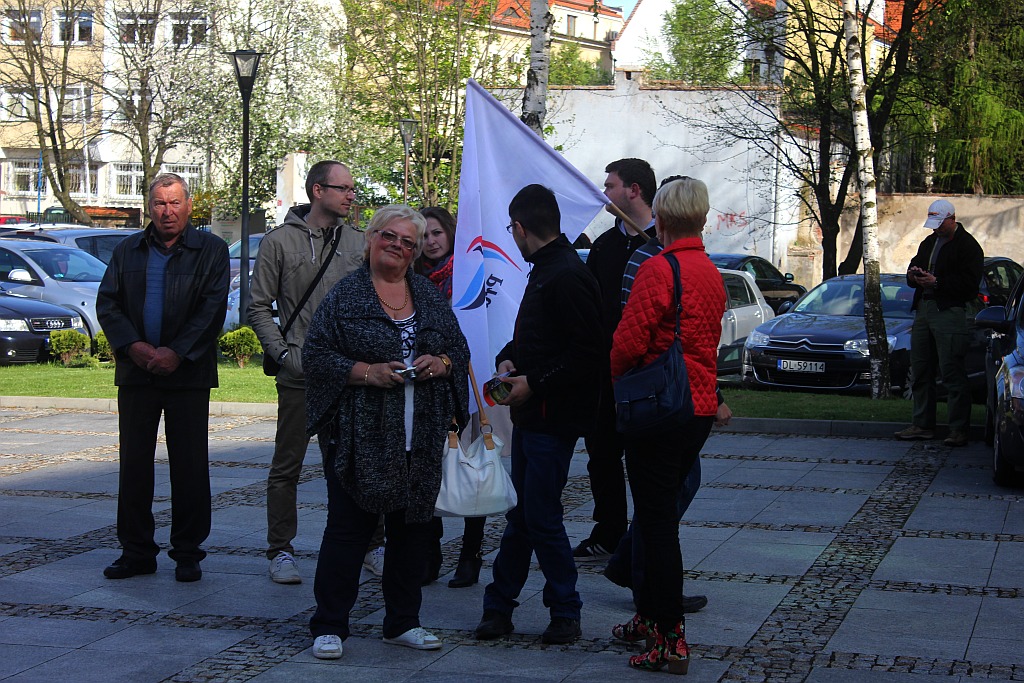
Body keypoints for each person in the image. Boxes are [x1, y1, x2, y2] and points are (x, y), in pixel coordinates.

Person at [303, 204, 470, 660]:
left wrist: (442, 363)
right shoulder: (345, 295)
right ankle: (330, 624)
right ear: (372, 238)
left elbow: (458, 348)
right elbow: (315, 356)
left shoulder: (429, 296)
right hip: (361, 435)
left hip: (423, 432)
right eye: (389, 236)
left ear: (415, 252)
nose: (397, 246)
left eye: (407, 242)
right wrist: (365, 371)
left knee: (413, 532)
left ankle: (403, 622)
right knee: (348, 531)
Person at [474, 184, 603, 645]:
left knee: (541, 517)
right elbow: (537, 339)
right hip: (533, 415)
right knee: (525, 516)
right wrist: (510, 359)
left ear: (521, 228)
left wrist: (535, 383)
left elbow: (589, 353)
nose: (511, 235)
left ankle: (564, 611)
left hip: (553, 418)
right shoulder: (546, 269)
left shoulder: (566, 273)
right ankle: (500, 607)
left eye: (512, 228)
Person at [609, 177, 725, 674]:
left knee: (656, 525)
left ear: (661, 217)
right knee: (659, 517)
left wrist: (615, 380)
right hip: (696, 408)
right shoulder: (712, 272)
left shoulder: (660, 269)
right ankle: (647, 616)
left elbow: (628, 342)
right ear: (700, 217)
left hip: (658, 407)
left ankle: (669, 637)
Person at [96, 173, 229, 583]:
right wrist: (134, 347)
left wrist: (176, 352)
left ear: (189, 206)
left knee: (189, 466)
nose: (167, 212)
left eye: (174, 203)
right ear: (148, 207)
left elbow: (212, 310)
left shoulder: (211, 250)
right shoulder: (127, 250)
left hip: (187, 375)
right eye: (159, 203)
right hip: (137, 374)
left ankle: (187, 552)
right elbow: (108, 303)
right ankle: (136, 551)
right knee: (134, 465)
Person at [248, 160, 368, 585]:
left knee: (357, 462)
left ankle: (370, 545)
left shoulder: (361, 242)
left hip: (350, 373)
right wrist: (283, 354)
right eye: (343, 188)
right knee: (287, 465)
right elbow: (258, 306)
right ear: (318, 191)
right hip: (300, 371)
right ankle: (280, 549)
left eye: (352, 189)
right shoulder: (279, 242)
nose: (351, 195)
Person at [576, 158, 657, 562]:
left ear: (634, 190)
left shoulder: (664, 242)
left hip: (646, 373)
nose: (604, 192)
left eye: (610, 185)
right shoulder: (605, 246)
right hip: (603, 370)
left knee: (645, 462)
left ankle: (644, 540)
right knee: (602, 456)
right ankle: (608, 530)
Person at [415, 206, 487, 589]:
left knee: (473, 471)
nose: (431, 242)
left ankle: (471, 553)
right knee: (425, 471)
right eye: (424, 235)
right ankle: (430, 551)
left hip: (465, 387)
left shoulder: (468, 275)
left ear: (451, 233)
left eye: (437, 233)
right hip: (427, 390)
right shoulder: (412, 279)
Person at [895, 199, 984, 448]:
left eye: (940, 224)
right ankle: (922, 424)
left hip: (949, 311)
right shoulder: (929, 242)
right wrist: (913, 276)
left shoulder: (968, 246)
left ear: (952, 219)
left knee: (951, 369)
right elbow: (914, 266)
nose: (936, 229)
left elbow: (969, 285)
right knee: (921, 368)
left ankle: (958, 429)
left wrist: (938, 282)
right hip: (924, 308)